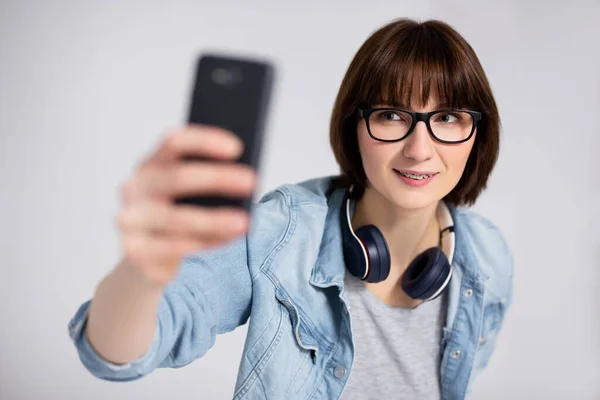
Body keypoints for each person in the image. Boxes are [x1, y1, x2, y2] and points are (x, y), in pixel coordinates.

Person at [68, 18, 513, 400]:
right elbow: (116, 357)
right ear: (354, 126)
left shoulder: (487, 255)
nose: (419, 149)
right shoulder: (280, 232)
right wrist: (143, 271)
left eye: (448, 118)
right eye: (391, 115)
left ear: (477, 134)